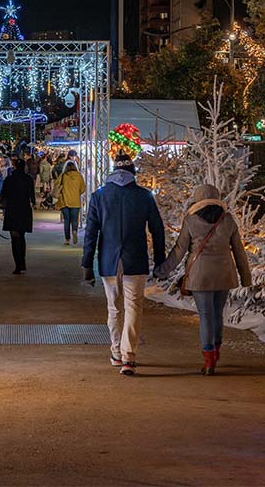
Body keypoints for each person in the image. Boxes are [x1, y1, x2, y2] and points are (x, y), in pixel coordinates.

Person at [81, 154, 165, 376]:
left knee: (113, 308)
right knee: (133, 307)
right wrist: (160, 261)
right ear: (133, 172)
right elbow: (157, 230)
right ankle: (129, 356)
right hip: (135, 259)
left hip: (108, 260)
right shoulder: (144, 196)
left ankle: (116, 352)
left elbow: (91, 233)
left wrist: (87, 264)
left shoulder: (99, 196)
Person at [154, 184, 251, 376]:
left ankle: (208, 361)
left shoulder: (191, 220)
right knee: (218, 314)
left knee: (206, 315)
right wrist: (245, 277)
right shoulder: (228, 220)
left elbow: (179, 250)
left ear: (197, 200)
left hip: (200, 275)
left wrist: (162, 271)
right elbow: (239, 250)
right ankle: (216, 353)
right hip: (224, 273)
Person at [1, 158, 36, 275]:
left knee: (15, 238)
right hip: (24, 210)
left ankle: (18, 265)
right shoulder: (28, 179)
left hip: (12, 210)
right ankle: (23, 264)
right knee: (22, 237)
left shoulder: (9, 180)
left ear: (14, 166)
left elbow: (3, 194)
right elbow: (32, 198)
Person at [55, 160, 86, 245]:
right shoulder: (79, 176)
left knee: (67, 221)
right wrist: (77, 193)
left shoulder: (63, 175)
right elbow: (83, 188)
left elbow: (56, 184)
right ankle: (74, 231)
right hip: (75, 201)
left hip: (64, 201)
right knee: (74, 220)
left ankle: (67, 239)